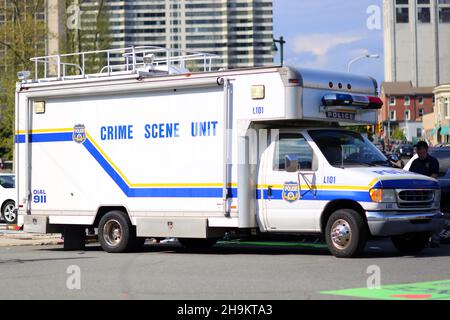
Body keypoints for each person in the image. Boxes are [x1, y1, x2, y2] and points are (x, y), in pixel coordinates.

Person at [408, 141, 441, 247]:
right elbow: (410, 176)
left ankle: (435, 238)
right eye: (417, 149)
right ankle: (418, 238)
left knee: (432, 215)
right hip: (415, 195)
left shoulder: (433, 161)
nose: (418, 151)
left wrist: (424, 187)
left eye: (420, 149)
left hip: (429, 194)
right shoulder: (415, 162)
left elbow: (434, 176)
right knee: (417, 216)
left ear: (426, 149)